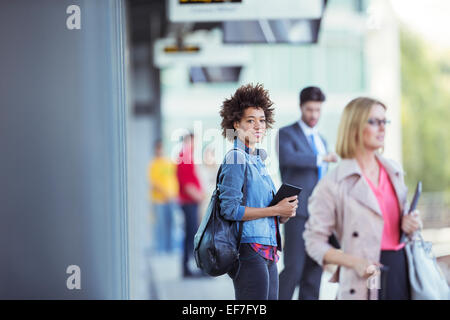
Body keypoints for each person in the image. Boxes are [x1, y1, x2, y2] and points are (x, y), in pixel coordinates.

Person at [303, 97, 422, 300]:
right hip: (364, 275)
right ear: (355, 126)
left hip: (402, 268)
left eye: (385, 122)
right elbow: (314, 241)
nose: (382, 128)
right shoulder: (333, 183)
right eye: (374, 121)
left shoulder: (394, 172)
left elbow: (401, 227)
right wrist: (353, 262)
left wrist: (411, 224)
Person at [218, 83, 298, 300]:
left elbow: (268, 211)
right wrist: (274, 210)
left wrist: (283, 213)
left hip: (268, 249)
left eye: (262, 121)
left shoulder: (259, 161)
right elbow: (230, 210)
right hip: (249, 248)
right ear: (236, 124)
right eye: (250, 121)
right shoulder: (235, 157)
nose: (258, 126)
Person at [277, 86, 338, 300]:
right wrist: (321, 158)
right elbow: (289, 158)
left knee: (314, 272)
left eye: (318, 110)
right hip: (297, 212)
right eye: (310, 109)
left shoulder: (322, 141)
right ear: (301, 107)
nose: (314, 115)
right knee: (293, 268)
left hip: (320, 216)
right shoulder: (286, 134)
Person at [176, 133, 205, 277]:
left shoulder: (188, 156)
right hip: (189, 202)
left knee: (190, 234)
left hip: (190, 201)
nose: (195, 144)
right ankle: (191, 267)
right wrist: (199, 196)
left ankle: (189, 267)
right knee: (192, 234)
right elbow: (186, 183)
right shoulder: (185, 157)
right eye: (194, 141)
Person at [148, 140, 179, 254]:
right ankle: (160, 249)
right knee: (160, 225)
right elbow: (153, 183)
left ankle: (170, 248)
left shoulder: (169, 163)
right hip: (159, 200)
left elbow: (173, 179)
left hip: (171, 199)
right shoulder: (153, 164)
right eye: (158, 148)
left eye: (161, 148)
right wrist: (166, 194)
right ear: (155, 150)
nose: (160, 150)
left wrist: (173, 194)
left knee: (171, 223)